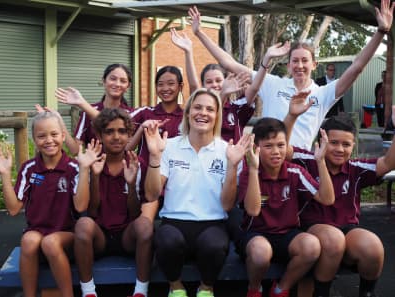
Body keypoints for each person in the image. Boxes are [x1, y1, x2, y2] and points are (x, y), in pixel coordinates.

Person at [188, 0, 394, 149]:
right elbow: (229, 63)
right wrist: (199, 33)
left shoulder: (322, 93)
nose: (300, 65)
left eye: (305, 60)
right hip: (265, 161)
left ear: (314, 65)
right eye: (295, 60)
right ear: (288, 66)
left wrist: (381, 32)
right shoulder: (272, 84)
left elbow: (356, 67)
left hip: (300, 163)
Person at [144, 88, 251, 297]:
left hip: (211, 223)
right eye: (198, 107)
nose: (203, 113)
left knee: (214, 246)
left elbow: (228, 205)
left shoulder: (227, 151)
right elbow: (151, 194)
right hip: (174, 221)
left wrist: (231, 166)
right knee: (166, 241)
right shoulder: (169, 146)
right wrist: (155, 157)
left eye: (210, 109)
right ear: (188, 113)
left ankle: (206, 288)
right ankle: (176, 287)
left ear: (217, 116)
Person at [288, 110, 395, 297]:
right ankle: (321, 293)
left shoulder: (356, 169)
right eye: (333, 143)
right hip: (311, 229)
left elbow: (387, 163)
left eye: (346, 144)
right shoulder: (307, 160)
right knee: (333, 239)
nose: (339, 149)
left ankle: (367, 293)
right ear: (322, 142)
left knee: (373, 246)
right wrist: (292, 116)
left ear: (353, 146)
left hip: (347, 229)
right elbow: (284, 149)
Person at [0, 111, 100, 297]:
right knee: (29, 241)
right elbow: (13, 209)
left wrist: (85, 169)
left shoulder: (74, 168)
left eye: (54, 134)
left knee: (51, 242)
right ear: (34, 139)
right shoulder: (29, 168)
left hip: (67, 235)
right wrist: (5, 175)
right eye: (41, 136)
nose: (49, 140)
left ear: (63, 135)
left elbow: (80, 207)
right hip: (38, 231)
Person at [237, 113, 335, 297]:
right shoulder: (249, 173)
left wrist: (320, 161)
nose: (276, 151)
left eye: (281, 145)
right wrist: (253, 169)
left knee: (311, 246)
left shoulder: (294, 172)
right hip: (255, 234)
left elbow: (327, 199)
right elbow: (253, 210)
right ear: (256, 148)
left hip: (287, 234)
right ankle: (254, 288)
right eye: (268, 146)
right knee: (260, 253)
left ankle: (281, 288)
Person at [74, 108, 155, 297]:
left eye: (122, 131)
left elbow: (135, 214)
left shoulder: (137, 163)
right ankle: (88, 292)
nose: (116, 137)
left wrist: (131, 183)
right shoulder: (91, 162)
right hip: (100, 236)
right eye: (109, 132)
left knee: (145, 224)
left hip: (126, 236)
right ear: (100, 136)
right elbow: (91, 211)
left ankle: (140, 291)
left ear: (129, 135)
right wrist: (94, 177)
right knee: (83, 224)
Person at [170, 28, 256, 143]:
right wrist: (188, 52)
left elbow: (254, 83)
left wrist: (231, 68)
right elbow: (194, 85)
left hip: (233, 160)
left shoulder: (237, 107)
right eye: (209, 82)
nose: (214, 85)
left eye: (218, 80)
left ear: (226, 80)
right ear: (203, 85)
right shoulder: (201, 110)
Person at [55, 63, 134, 155]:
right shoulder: (88, 111)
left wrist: (82, 103)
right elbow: (75, 150)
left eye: (123, 81)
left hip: (123, 168)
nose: (117, 84)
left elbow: (110, 121)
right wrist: (59, 121)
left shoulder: (132, 114)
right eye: (113, 79)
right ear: (104, 81)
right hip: (94, 167)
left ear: (128, 86)